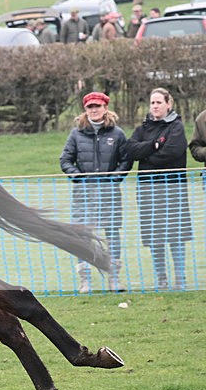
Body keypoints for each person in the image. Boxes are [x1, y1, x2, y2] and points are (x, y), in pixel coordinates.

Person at [60, 92, 132, 293]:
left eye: (97, 106)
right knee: (83, 235)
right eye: (90, 107)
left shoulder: (117, 134)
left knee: (112, 234)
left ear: (105, 108)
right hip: (83, 195)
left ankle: (114, 279)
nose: (94, 110)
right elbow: (65, 160)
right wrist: (80, 178)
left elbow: (126, 160)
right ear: (85, 109)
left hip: (110, 194)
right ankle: (85, 281)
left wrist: (113, 179)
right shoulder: (76, 134)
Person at [124, 87, 193, 290]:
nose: (155, 106)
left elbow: (172, 152)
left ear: (168, 104)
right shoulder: (143, 128)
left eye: (159, 102)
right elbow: (130, 149)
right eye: (152, 102)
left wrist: (146, 156)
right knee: (155, 235)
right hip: (148, 191)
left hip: (173, 190)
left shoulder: (176, 127)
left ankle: (180, 278)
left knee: (176, 234)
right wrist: (154, 145)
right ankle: (161, 277)